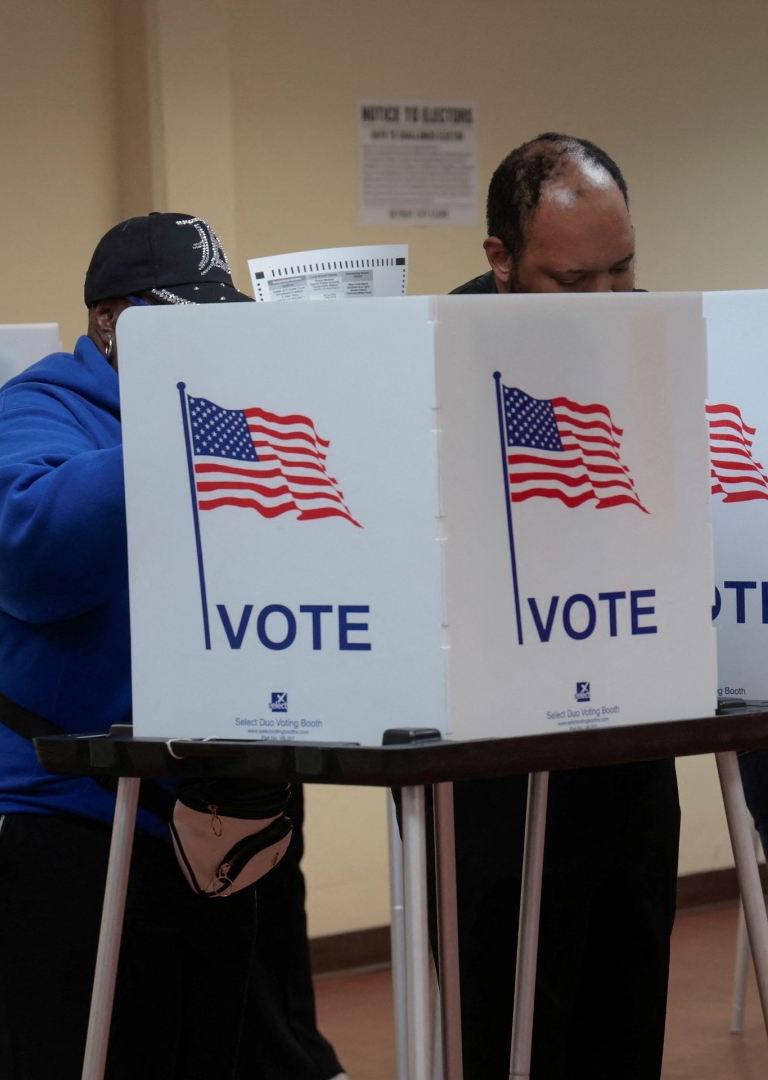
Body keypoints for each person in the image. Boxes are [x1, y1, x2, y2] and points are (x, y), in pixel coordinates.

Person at [0, 211, 343, 1080]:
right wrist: (182, 442)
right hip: (47, 803)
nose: (208, 338)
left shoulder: (237, 415)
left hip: (209, 805)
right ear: (111, 321)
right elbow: (23, 548)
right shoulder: (44, 405)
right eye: (184, 316)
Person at [445, 134, 675, 1080]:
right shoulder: (438, 350)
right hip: (498, 751)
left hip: (634, 729)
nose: (608, 304)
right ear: (501, 260)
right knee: (511, 1030)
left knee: (626, 1009)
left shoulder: (661, 335)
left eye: (623, 270)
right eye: (573, 281)